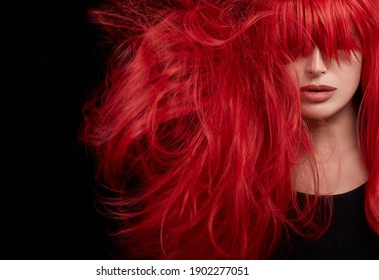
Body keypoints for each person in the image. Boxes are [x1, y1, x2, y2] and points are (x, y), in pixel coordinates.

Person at [80, 0, 379, 259]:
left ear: (368, 49)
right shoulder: (227, 176)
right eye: (292, 45)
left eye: (339, 43)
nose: (316, 66)